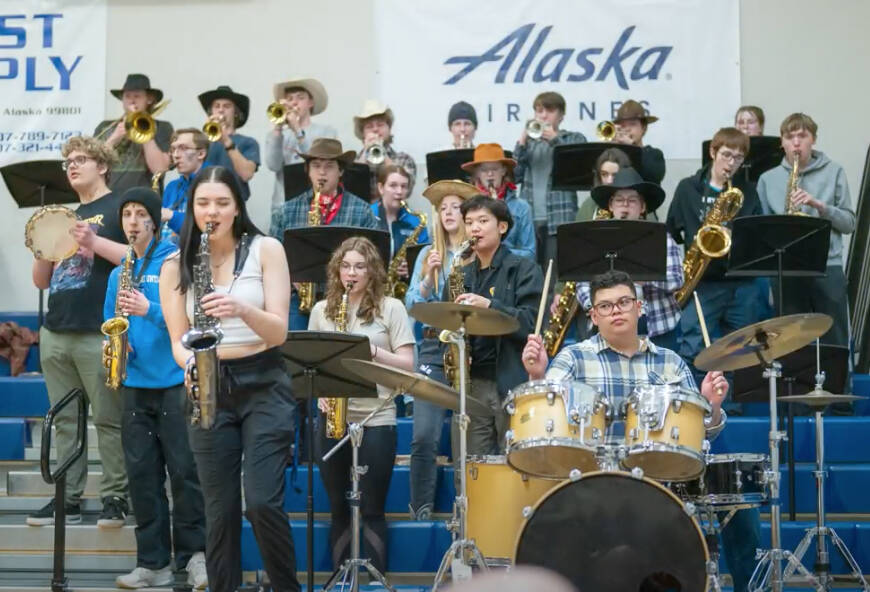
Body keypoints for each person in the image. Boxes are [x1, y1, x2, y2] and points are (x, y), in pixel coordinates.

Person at [522, 271, 760, 592]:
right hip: (594, 483)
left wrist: (712, 405)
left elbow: (701, 436)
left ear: (640, 307)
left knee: (742, 510)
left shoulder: (671, 362)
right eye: (605, 306)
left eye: (623, 302)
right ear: (592, 316)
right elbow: (545, 417)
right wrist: (537, 377)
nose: (616, 311)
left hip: (660, 484)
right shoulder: (573, 358)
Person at [159, 166, 300, 592]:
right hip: (208, 384)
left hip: (264, 380)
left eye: (222, 202)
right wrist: (189, 366)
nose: (212, 211)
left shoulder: (266, 249)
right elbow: (178, 340)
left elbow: (279, 331)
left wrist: (241, 310)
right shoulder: (174, 265)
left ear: (238, 207)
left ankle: (285, 587)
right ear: (191, 209)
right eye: (203, 203)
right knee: (218, 510)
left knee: (260, 503)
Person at [104, 188, 207, 590]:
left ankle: (195, 557)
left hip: (173, 383)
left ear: (155, 220)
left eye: (139, 213)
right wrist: (115, 343)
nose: (131, 221)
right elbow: (108, 321)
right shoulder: (119, 271)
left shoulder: (175, 262)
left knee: (185, 474)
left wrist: (150, 310)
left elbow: (193, 319)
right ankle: (152, 562)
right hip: (135, 385)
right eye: (126, 214)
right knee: (142, 478)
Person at [27, 137, 129, 528]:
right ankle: (66, 498)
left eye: (81, 159)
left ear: (102, 166)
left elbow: (136, 258)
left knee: (108, 418)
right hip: (56, 329)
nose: (71, 166)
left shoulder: (119, 207)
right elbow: (41, 281)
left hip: (98, 330)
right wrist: (40, 246)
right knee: (66, 419)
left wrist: (94, 241)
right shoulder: (64, 214)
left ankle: (115, 498)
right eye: (67, 161)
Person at [309, 236, 416, 575]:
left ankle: (372, 578)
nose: (351, 273)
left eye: (359, 266)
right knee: (338, 507)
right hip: (332, 420)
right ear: (336, 270)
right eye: (345, 266)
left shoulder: (392, 307)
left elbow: (408, 364)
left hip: (377, 417)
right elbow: (312, 367)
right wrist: (320, 394)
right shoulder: (321, 310)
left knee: (371, 507)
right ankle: (341, 577)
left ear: (372, 271)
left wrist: (373, 351)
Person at [444, 195, 543, 455]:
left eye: (483, 221)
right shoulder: (460, 275)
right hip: (470, 383)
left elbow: (531, 323)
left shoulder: (524, 269)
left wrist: (490, 306)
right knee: (470, 468)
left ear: (502, 227)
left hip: (510, 380)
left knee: (514, 462)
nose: (474, 228)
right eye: (469, 222)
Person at [666, 127, 764, 383]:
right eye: (726, 155)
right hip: (702, 281)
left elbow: (757, 235)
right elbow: (672, 231)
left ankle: (733, 412)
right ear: (713, 152)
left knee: (740, 352)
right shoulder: (688, 189)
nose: (731, 163)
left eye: (738, 158)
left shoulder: (748, 192)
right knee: (695, 347)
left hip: (741, 282)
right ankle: (695, 406)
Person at [406, 179, 478, 519]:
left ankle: (470, 509)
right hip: (434, 347)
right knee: (422, 436)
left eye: (455, 207)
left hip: (471, 348)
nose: (449, 212)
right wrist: (425, 277)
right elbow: (411, 305)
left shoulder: (477, 252)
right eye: (443, 208)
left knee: (466, 435)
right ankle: (419, 507)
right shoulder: (426, 252)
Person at [757, 113, 855, 347]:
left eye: (803, 136)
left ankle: (839, 385)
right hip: (787, 269)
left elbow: (849, 224)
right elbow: (761, 230)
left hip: (826, 265)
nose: (796, 143)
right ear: (781, 142)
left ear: (813, 139)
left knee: (835, 339)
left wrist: (820, 206)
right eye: (790, 137)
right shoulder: (768, 179)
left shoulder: (834, 171)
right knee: (791, 341)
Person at [270, 138, 381, 330]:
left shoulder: (362, 211)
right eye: (316, 166)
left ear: (341, 171)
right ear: (308, 171)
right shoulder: (285, 211)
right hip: (299, 299)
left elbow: (374, 257)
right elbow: (272, 257)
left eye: (329, 166)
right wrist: (292, 277)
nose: (322, 172)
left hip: (349, 297)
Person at [577, 168, 682, 351]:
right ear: (610, 205)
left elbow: (677, 279)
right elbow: (582, 282)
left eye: (632, 200)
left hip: (656, 325)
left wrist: (646, 276)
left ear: (642, 207)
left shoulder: (661, 237)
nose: (625, 206)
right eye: (619, 200)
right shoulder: (595, 239)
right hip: (609, 322)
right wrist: (594, 306)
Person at [513, 91, 586, 269]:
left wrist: (555, 140)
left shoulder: (573, 138)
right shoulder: (529, 143)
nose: (543, 115)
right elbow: (514, 176)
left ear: (561, 116)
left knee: (556, 271)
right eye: (539, 111)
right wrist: (521, 142)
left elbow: (578, 167)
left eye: (549, 111)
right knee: (530, 271)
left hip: (560, 218)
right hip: (530, 218)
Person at [264, 76, 337, 209]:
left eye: (300, 98)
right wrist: (277, 129)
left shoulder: (326, 132)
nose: (294, 103)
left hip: (317, 203)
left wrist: (298, 130)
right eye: (290, 99)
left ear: (311, 102)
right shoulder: (276, 135)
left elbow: (319, 161)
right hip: (282, 204)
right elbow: (273, 165)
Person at [94, 74, 172, 197]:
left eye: (137, 96)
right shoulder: (105, 126)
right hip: (108, 199)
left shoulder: (162, 127)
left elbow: (160, 170)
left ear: (149, 99)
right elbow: (93, 166)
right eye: (127, 96)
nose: (132, 101)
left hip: (146, 200)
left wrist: (145, 132)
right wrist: (115, 137)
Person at [461, 143, 535, 260]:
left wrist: (498, 252)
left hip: (512, 272)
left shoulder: (522, 208)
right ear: (477, 173)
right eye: (484, 170)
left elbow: (530, 254)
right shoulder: (465, 207)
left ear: (504, 171)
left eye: (494, 169)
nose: (490, 174)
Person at [197, 85, 260, 202]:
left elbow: (246, 174)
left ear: (235, 112)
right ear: (211, 112)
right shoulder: (201, 142)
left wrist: (226, 140)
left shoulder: (248, 142)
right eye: (216, 106)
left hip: (234, 203)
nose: (221, 110)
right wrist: (204, 140)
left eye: (226, 106)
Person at [372, 164, 430, 285]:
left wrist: (412, 267)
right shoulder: (367, 215)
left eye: (404, 186)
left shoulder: (416, 222)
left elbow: (426, 259)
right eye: (393, 185)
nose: (399, 192)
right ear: (381, 188)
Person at [354, 99, 417, 201]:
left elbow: (407, 190)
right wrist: (365, 155)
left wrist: (383, 154)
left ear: (389, 128)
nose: (375, 130)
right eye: (369, 126)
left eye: (380, 125)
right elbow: (351, 190)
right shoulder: (354, 161)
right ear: (363, 133)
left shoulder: (404, 159)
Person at [160, 128, 209, 242]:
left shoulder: (213, 184)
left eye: (183, 148)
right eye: (173, 149)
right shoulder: (172, 187)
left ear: (201, 154)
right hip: (169, 255)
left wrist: (172, 216)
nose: (176, 155)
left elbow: (206, 229)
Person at [612, 99, 666, 184]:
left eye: (632, 124)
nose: (627, 129)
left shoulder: (654, 154)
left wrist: (632, 146)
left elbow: (654, 175)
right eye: (622, 125)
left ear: (643, 128)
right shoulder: (613, 156)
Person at [575, 147, 633, 221]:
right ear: (599, 176)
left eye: (615, 175)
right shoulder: (589, 204)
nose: (609, 181)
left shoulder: (637, 203)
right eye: (604, 174)